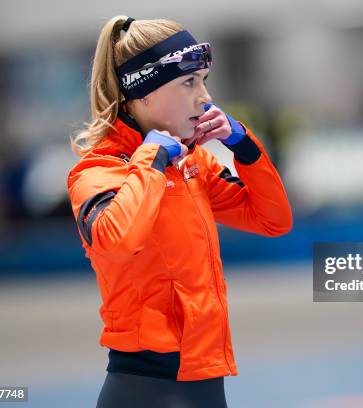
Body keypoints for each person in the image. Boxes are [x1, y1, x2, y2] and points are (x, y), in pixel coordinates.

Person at [67, 15, 293, 407]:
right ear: (142, 95)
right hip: (146, 386)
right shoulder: (97, 172)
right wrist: (152, 161)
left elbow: (273, 220)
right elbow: (117, 242)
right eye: (189, 82)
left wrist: (243, 145)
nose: (204, 96)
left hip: (205, 377)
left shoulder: (192, 164)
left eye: (204, 80)